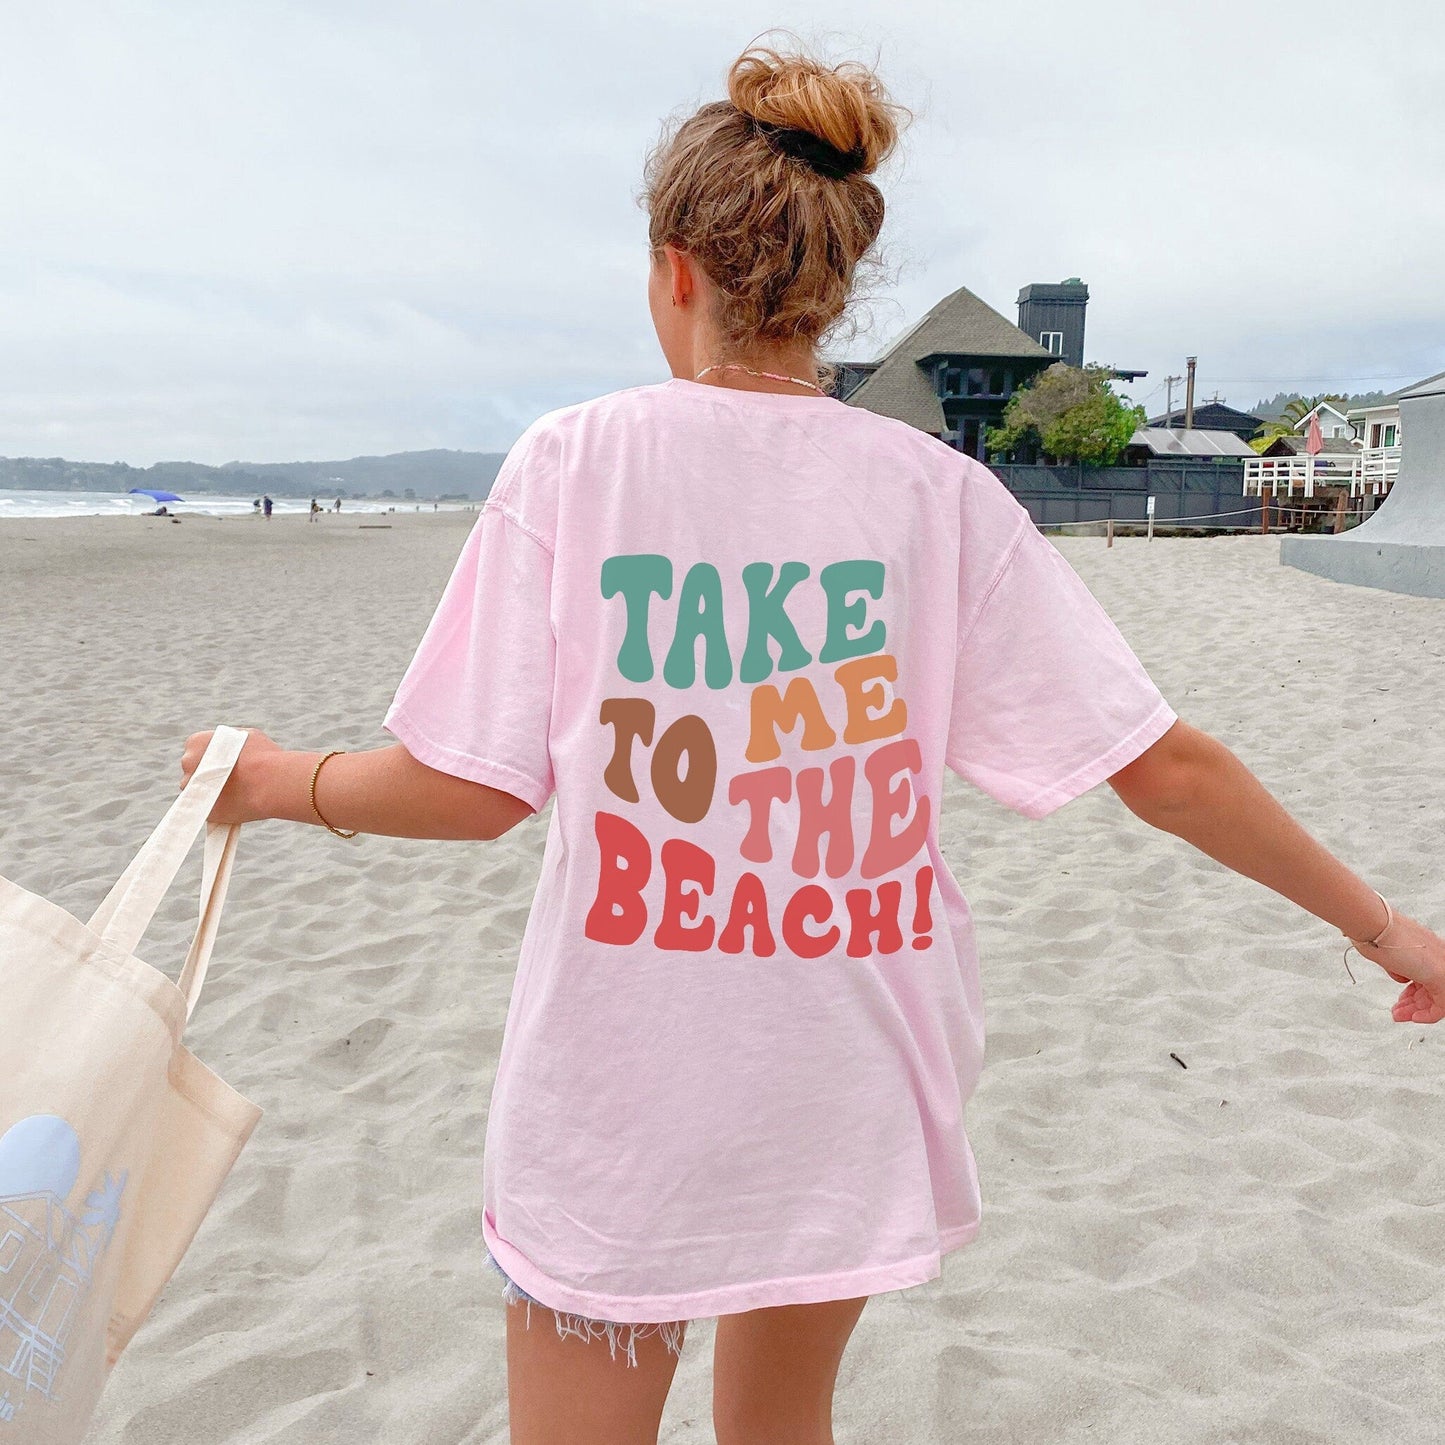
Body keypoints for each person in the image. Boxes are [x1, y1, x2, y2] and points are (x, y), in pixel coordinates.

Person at [180, 37, 1445, 1445]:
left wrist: (278, 781)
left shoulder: (575, 461)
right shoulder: (937, 495)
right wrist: (1382, 924)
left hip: (629, 1092)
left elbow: (473, 789)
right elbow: (1162, 763)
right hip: (846, 1073)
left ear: (675, 268)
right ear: (832, 289)